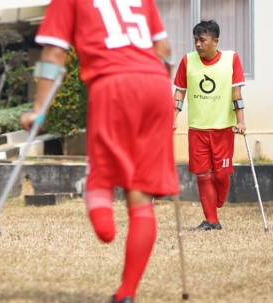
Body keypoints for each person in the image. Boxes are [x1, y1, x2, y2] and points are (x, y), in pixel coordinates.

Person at [20, 1, 179, 302]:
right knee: (141, 193)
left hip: (114, 84)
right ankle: (126, 293)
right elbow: (164, 50)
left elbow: (54, 53)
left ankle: (104, 225)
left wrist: (38, 110)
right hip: (157, 86)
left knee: (101, 175)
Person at [173, 20, 246, 231]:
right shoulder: (187, 61)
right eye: (195, 40)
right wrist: (173, 116)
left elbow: (237, 94)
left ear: (215, 41)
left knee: (221, 175)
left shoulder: (231, 59)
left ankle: (217, 201)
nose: (197, 44)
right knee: (203, 175)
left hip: (223, 128)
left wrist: (240, 121)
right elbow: (179, 93)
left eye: (202, 40)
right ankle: (211, 220)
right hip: (198, 129)